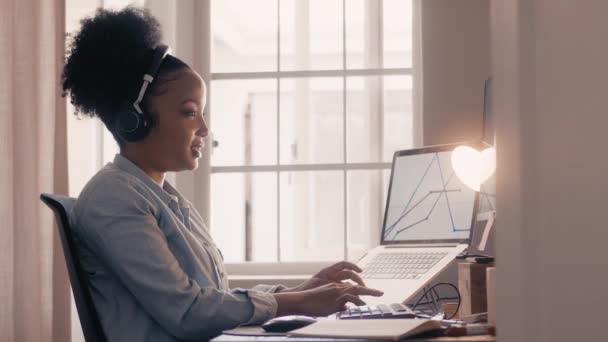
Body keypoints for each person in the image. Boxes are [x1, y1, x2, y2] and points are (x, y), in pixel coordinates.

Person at [62, 6, 383, 342]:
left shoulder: (161, 197)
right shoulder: (114, 197)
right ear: (135, 119)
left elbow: (211, 295)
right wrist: (297, 301)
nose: (203, 129)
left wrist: (300, 290)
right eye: (189, 113)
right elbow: (187, 312)